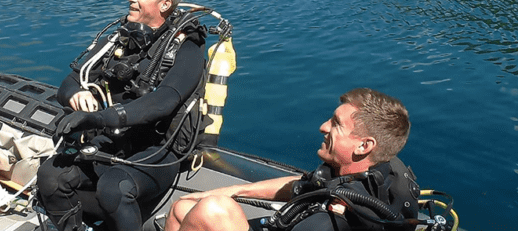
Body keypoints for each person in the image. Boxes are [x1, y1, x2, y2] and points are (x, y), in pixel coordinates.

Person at [37, 0, 208, 231]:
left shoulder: (188, 49)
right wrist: (77, 94)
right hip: (116, 138)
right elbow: (70, 81)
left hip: (158, 149)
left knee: (113, 188)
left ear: (164, 4)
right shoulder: (121, 38)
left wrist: (97, 118)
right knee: (51, 175)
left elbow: (164, 102)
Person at [165, 88, 419, 231]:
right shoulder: (363, 171)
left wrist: (218, 203)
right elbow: (304, 185)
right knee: (182, 208)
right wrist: (236, 190)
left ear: (364, 145)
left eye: (336, 124)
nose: (323, 127)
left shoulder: (338, 219)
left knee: (213, 210)